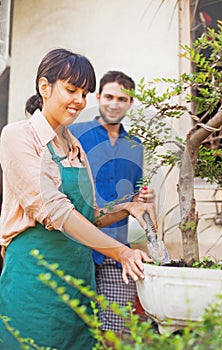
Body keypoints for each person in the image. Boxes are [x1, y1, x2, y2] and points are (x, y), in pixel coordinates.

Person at [0, 50, 157, 350]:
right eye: (71, 90)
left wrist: (127, 206)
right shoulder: (17, 137)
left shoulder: (74, 147)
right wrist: (121, 253)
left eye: (84, 93)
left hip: (78, 282)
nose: (79, 101)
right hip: (35, 283)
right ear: (44, 87)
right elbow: (56, 210)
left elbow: (90, 212)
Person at [69, 71, 155, 335]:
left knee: (117, 333)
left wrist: (142, 198)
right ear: (98, 98)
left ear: (130, 103)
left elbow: (135, 194)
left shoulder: (136, 146)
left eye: (122, 98)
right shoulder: (73, 134)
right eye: (108, 96)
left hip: (117, 251)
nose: (114, 103)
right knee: (73, 330)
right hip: (76, 247)